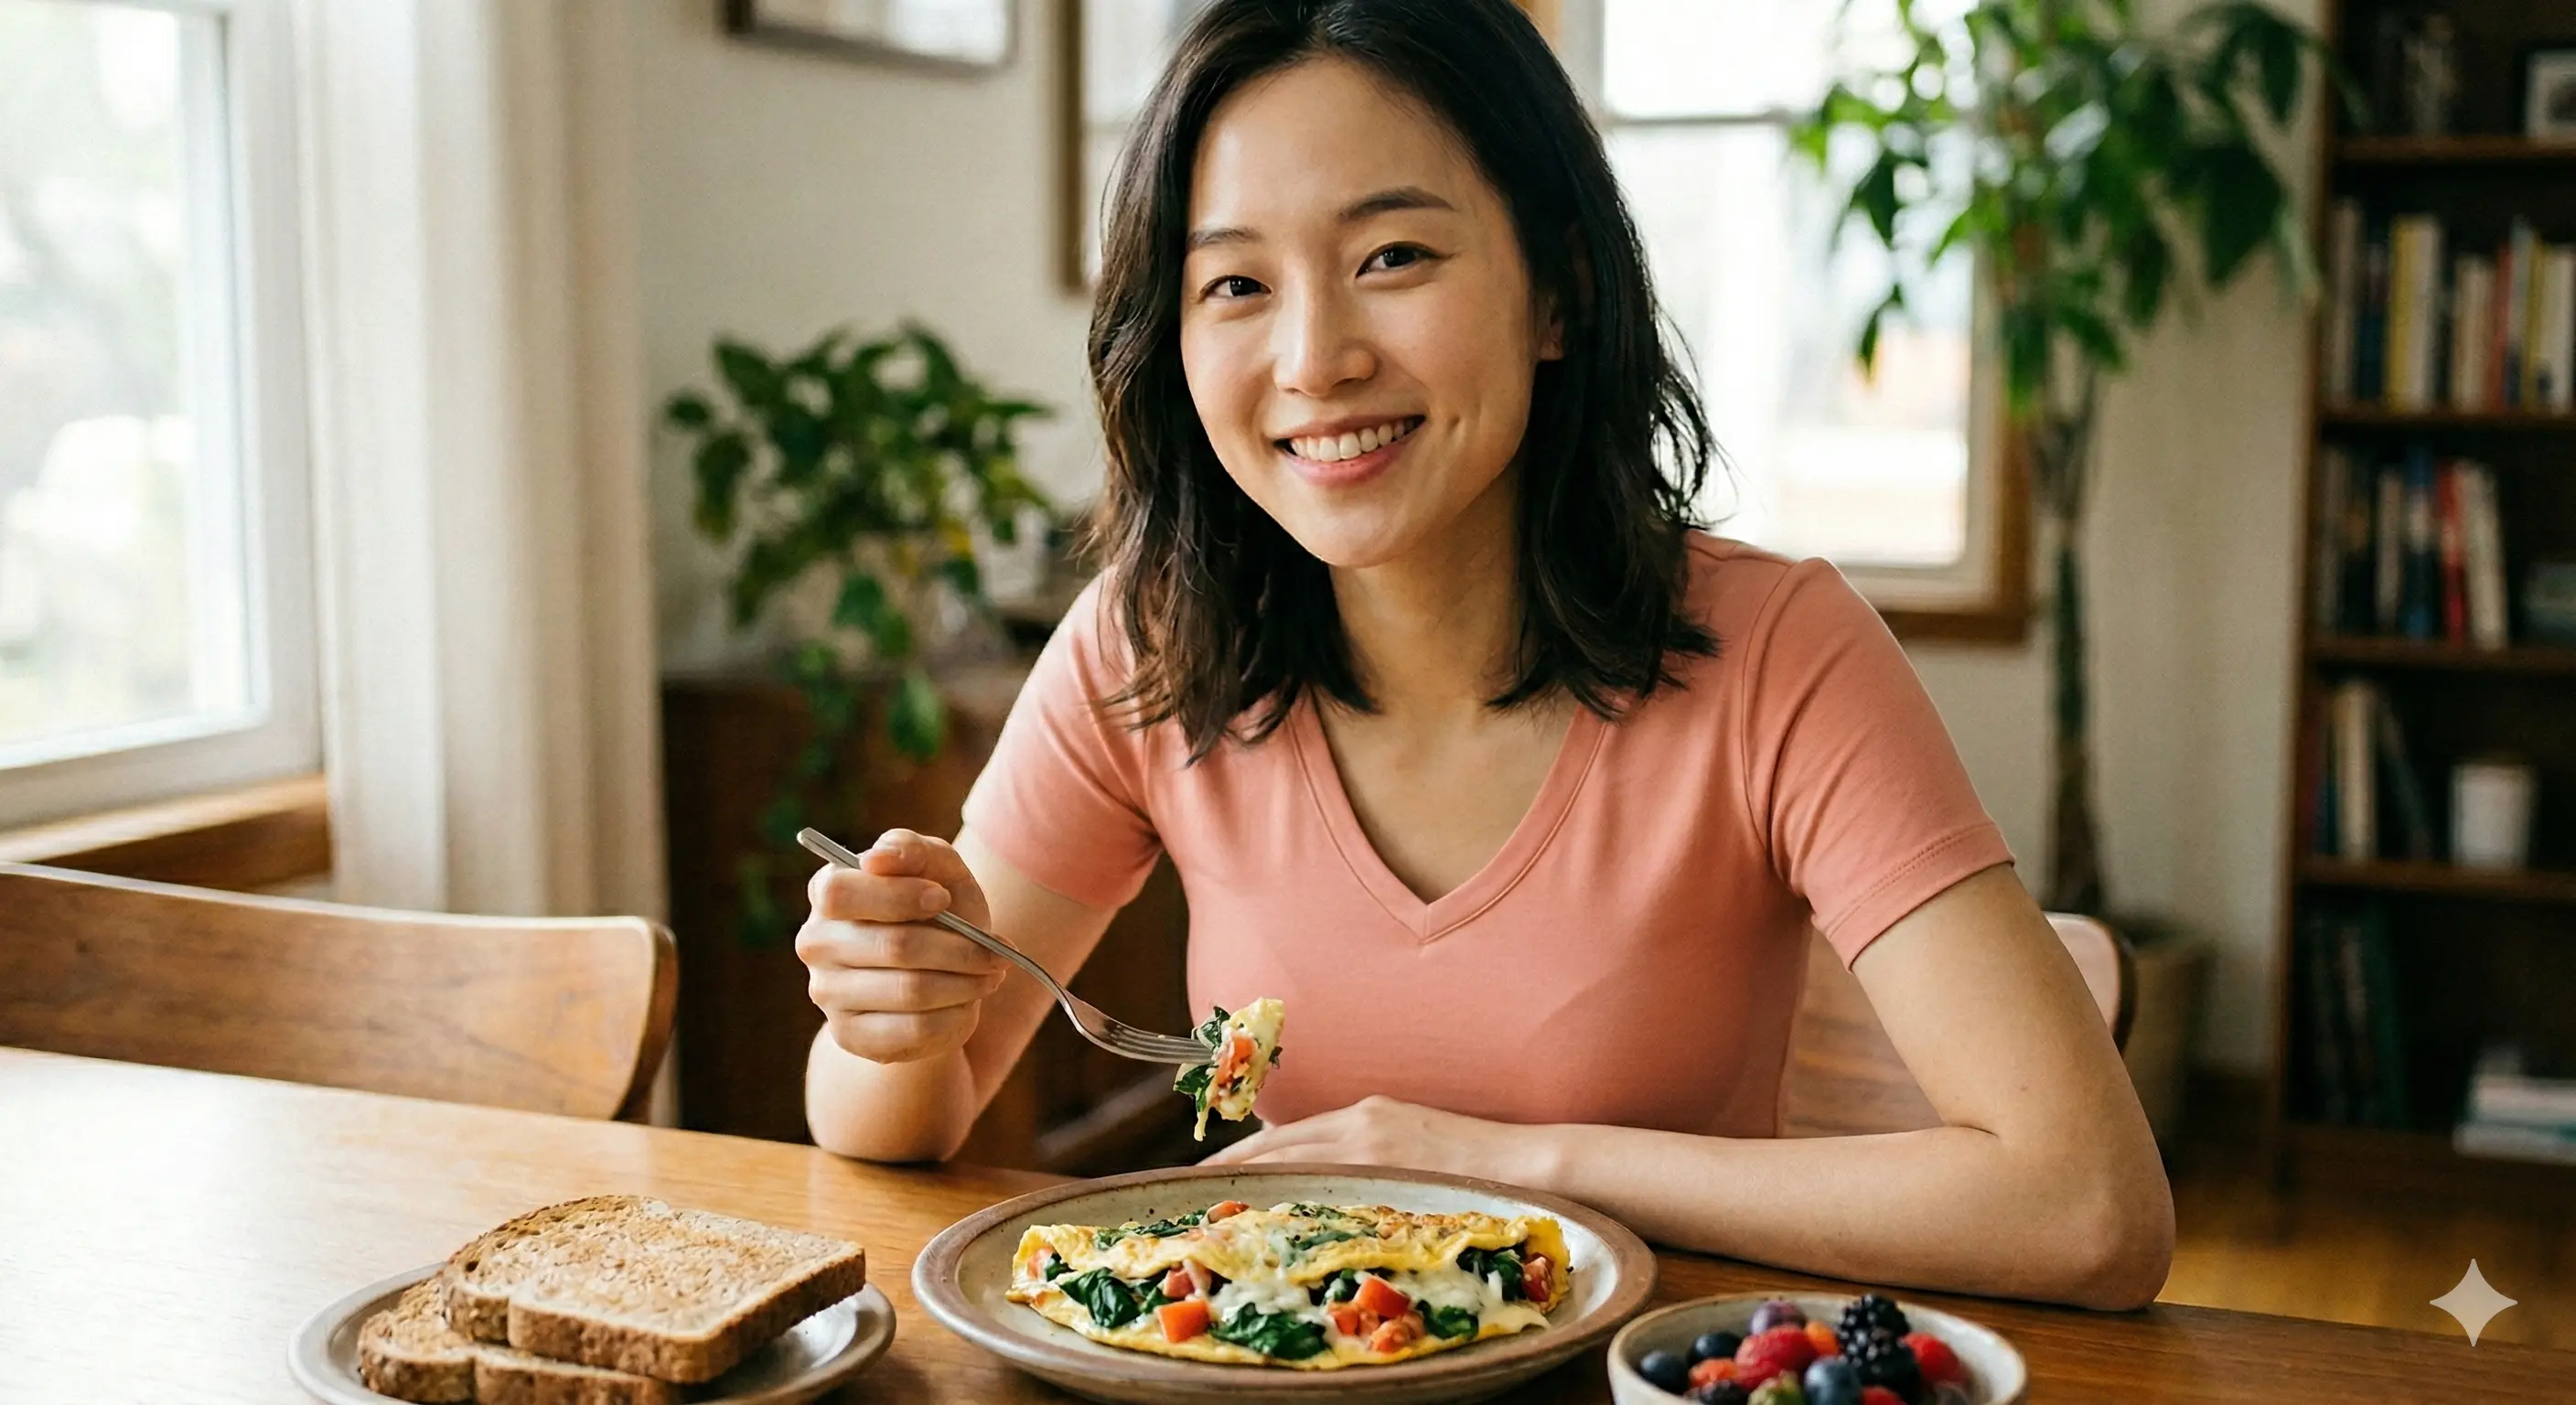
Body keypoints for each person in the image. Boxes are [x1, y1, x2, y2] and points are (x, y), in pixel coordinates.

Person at [796, 0, 2171, 1309]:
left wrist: (1508, 1166)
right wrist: (893, 1025)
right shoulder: (1150, 643)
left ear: (1557, 295)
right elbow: (902, 1124)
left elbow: (2090, 1209)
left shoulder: (1779, 653)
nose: (1315, 357)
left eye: (1392, 257)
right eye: (1235, 282)